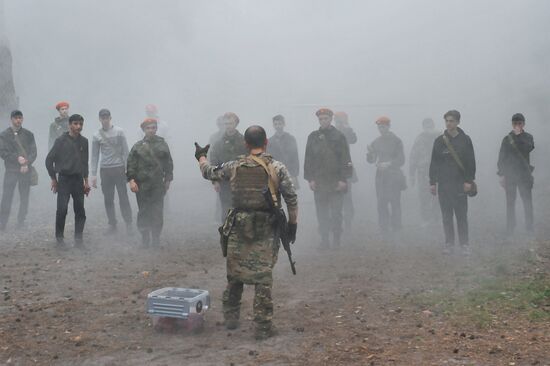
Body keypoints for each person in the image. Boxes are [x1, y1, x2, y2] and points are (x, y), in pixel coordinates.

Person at [194, 125, 298, 340]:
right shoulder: (277, 168)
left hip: (239, 225)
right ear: (266, 142)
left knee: (235, 272)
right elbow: (291, 199)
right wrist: (292, 225)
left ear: (246, 144)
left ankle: (231, 317)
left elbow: (208, 172)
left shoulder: (234, 166)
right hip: (267, 225)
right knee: (263, 277)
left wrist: (201, 156)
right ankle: (262, 327)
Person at [429, 110, 476, 255]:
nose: (449, 123)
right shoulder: (439, 141)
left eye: (451, 121)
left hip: (460, 184)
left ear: (457, 122)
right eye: (447, 121)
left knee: (461, 215)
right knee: (446, 216)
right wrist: (432, 182)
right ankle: (449, 244)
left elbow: (471, 162)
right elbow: (434, 163)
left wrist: (469, 180)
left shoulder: (465, 139)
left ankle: (464, 245)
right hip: (444, 184)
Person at [304, 108, 352, 248]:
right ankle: (324, 240)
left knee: (336, 212)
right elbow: (308, 159)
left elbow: (346, 159)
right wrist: (310, 179)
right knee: (322, 213)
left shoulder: (339, 136)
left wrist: (344, 180)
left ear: (331, 119)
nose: (323, 121)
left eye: (326, 118)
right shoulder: (312, 137)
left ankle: (336, 239)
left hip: (336, 180)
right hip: (319, 181)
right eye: (321, 119)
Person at [126, 118, 173, 247]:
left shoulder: (162, 144)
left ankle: (156, 239)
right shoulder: (137, 146)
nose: (151, 130)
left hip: (158, 184)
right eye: (148, 128)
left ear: (156, 129)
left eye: (153, 127)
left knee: (157, 212)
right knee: (144, 211)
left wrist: (168, 179)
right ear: (143, 130)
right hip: (142, 185)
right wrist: (131, 180)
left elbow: (168, 162)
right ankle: (145, 239)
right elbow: (131, 165)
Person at [45, 114, 90, 248]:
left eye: (81, 124)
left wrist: (86, 181)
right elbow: (49, 160)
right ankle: (59, 239)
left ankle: (79, 240)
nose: (78, 127)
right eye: (75, 124)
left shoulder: (84, 141)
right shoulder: (60, 141)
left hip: (77, 180)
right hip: (64, 180)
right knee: (62, 210)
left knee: (80, 210)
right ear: (70, 124)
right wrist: (53, 178)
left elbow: (84, 163)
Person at [90, 109, 132, 235]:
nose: (105, 119)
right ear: (99, 119)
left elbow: (126, 151)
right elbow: (94, 155)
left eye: (107, 117)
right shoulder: (96, 135)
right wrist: (93, 174)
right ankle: (112, 223)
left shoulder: (119, 131)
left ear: (110, 118)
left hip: (119, 168)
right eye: (103, 117)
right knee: (108, 199)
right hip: (105, 170)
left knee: (123, 197)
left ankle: (128, 223)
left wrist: (128, 168)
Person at [366, 116, 406, 238]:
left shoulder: (396, 140)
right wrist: (370, 153)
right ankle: (383, 228)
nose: (381, 129)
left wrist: (389, 164)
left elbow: (401, 159)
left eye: (383, 126)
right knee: (381, 203)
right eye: (379, 127)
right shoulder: (376, 141)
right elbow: (371, 160)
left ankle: (397, 228)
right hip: (381, 177)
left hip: (393, 176)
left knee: (395, 202)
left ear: (388, 126)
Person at [497, 113, 534, 237]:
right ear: (512, 124)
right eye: (515, 123)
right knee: (510, 202)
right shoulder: (507, 139)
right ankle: (510, 228)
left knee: (527, 201)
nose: (517, 125)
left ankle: (529, 228)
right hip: (510, 175)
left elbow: (528, 148)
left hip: (524, 175)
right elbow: (502, 157)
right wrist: (501, 175)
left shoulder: (528, 137)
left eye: (519, 123)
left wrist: (519, 137)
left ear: (523, 124)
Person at [0, 110, 37, 230]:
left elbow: (33, 152)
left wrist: (27, 163)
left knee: (24, 197)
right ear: (11, 119)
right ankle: (2, 223)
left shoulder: (29, 134)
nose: (18, 120)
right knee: (7, 197)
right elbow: (3, 152)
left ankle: (21, 222)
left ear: (23, 119)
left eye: (20, 118)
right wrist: (17, 158)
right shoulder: (4, 135)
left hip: (25, 170)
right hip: (11, 170)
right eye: (16, 118)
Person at [209, 112, 247, 223]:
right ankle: (226, 234)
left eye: (231, 123)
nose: (228, 126)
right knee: (226, 209)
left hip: (242, 182)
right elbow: (214, 162)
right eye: (226, 123)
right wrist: (215, 181)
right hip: (225, 182)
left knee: (242, 209)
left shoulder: (244, 141)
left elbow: (250, 160)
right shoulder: (218, 143)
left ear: (236, 123)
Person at [409, 118, 441, 226]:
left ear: (433, 126)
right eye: (426, 126)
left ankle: (436, 218)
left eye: (430, 125)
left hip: (437, 171)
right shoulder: (419, 139)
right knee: (423, 196)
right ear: (423, 127)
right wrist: (411, 174)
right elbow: (413, 156)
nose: (428, 127)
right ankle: (426, 219)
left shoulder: (440, 138)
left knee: (437, 196)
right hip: (423, 172)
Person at [334, 111, 357, 230]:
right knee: (333, 196)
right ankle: (336, 222)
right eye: (337, 120)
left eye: (340, 120)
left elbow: (353, 139)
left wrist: (347, 127)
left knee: (347, 196)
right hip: (332, 168)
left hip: (346, 167)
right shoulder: (330, 132)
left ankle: (348, 221)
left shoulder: (347, 132)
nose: (338, 123)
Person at [268, 114, 300, 188]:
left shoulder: (291, 139)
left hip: (290, 172)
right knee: (277, 197)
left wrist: (294, 175)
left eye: (280, 124)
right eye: (275, 124)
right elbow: (269, 159)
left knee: (291, 197)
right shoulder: (270, 141)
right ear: (273, 125)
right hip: (276, 173)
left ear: (284, 124)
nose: (278, 126)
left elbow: (295, 158)